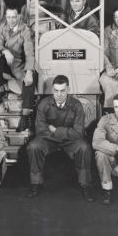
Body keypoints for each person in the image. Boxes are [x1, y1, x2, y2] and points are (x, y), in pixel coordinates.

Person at [25, 74, 94, 202]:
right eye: (56, 91)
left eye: (62, 90)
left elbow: (79, 132)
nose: (59, 94)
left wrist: (56, 130)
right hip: (49, 139)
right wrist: (63, 132)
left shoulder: (77, 105)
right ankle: (36, 183)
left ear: (68, 89)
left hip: (70, 141)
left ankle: (85, 185)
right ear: (52, 90)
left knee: (84, 147)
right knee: (33, 147)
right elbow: (40, 129)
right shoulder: (43, 104)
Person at [0, 8, 35, 130]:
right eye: (9, 17)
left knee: (29, 82)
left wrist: (29, 72)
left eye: (14, 17)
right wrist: (5, 51)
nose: (11, 20)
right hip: (5, 62)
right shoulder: (2, 28)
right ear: (6, 17)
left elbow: (29, 52)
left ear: (18, 17)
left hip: (18, 64)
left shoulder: (25, 30)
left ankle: (26, 118)